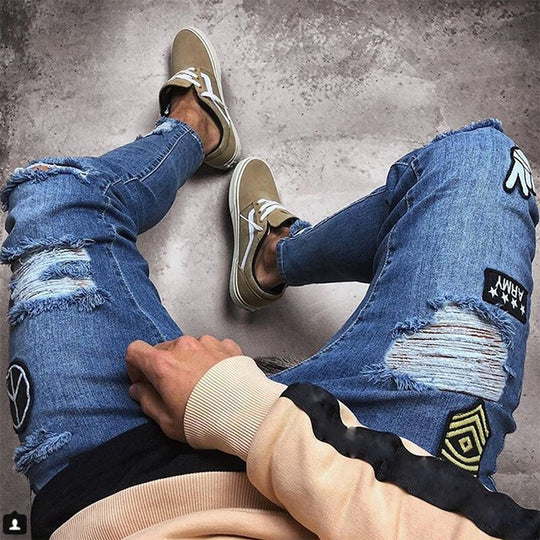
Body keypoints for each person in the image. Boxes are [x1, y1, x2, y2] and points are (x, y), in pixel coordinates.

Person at [1, 26, 539, 539]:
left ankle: (192, 128)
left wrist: (238, 410)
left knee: (55, 196)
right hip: (400, 473)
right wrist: (251, 414)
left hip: (116, 489)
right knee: (479, 162)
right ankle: (275, 256)